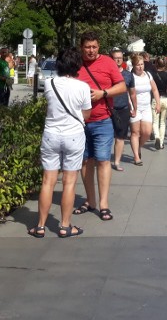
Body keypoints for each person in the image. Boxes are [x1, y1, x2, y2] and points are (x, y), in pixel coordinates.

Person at [28, 47, 93, 239]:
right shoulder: (83, 87)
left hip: (51, 134)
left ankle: (40, 226)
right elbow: (86, 115)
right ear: (77, 65)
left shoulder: (49, 83)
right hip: (74, 135)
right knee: (69, 182)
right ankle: (65, 226)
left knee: (48, 181)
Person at [74, 31, 126, 222]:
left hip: (103, 120)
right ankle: (90, 200)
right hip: (79, 122)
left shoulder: (107, 62)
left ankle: (104, 204)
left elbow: (122, 87)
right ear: (82, 47)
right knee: (86, 161)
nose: (91, 50)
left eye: (94, 47)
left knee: (103, 160)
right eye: (87, 47)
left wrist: (103, 93)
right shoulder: (76, 63)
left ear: (99, 46)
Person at [128, 53, 159, 167]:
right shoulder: (131, 76)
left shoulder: (148, 75)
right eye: (137, 65)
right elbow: (128, 93)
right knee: (135, 132)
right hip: (135, 108)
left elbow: (155, 90)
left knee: (146, 132)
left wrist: (158, 103)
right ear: (133, 66)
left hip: (146, 107)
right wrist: (131, 107)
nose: (140, 67)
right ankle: (136, 156)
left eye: (142, 64)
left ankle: (139, 147)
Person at [110, 49, 137, 172]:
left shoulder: (128, 74)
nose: (118, 60)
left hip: (123, 108)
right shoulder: (107, 73)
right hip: (108, 108)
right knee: (107, 136)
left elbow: (132, 93)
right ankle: (102, 160)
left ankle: (116, 162)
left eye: (120, 57)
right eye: (116, 58)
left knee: (120, 136)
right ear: (111, 59)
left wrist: (134, 107)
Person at [150, 56, 167, 149]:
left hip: (155, 99)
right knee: (162, 122)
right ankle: (161, 143)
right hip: (165, 99)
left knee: (155, 121)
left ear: (156, 64)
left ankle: (157, 137)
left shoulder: (152, 75)